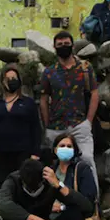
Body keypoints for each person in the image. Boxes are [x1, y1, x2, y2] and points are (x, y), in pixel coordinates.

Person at [40, 31, 99, 175]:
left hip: (79, 124)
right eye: (59, 44)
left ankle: (91, 196)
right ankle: (58, 195)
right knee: (55, 164)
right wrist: (47, 124)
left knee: (86, 159)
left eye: (66, 43)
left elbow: (94, 93)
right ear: (54, 47)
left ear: (72, 45)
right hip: (56, 126)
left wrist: (88, 121)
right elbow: (43, 98)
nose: (63, 46)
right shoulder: (49, 72)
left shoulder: (85, 68)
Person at [0, 63, 42, 187]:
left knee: (21, 184)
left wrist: (35, 152)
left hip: (23, 152)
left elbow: (36, 128)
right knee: (1, 185)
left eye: (14, 78)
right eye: (8, 79)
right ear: (2, 82)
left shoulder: (28, 103)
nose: (11, 81)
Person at [47, 133, 98, 217]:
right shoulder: (50, 170)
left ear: (74, 151)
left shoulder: (82, 169)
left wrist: (62, 207)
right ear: (55, 150)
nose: (65, 148)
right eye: (62, 146)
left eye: (69, 146)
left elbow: (88, 205)